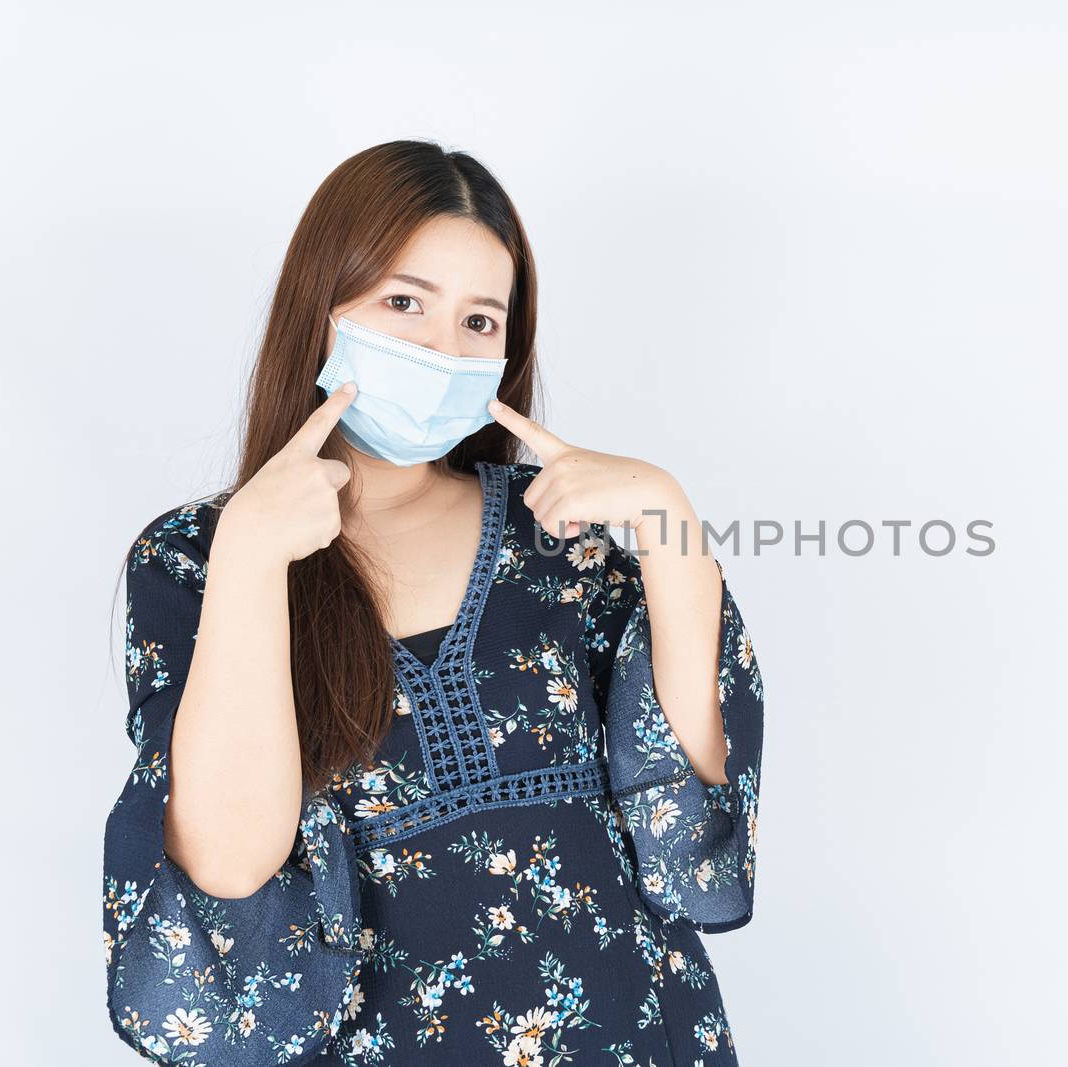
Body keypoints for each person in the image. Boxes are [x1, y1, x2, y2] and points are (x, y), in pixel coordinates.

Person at [101, 140, 764, 1066]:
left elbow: (686, 841)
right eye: (404, 303)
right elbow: (227, 875)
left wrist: (669, 524)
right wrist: (251, 560)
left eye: (479, 321)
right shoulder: (191, 561)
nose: (442, 349)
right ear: (322, 304)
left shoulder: (558, 542)